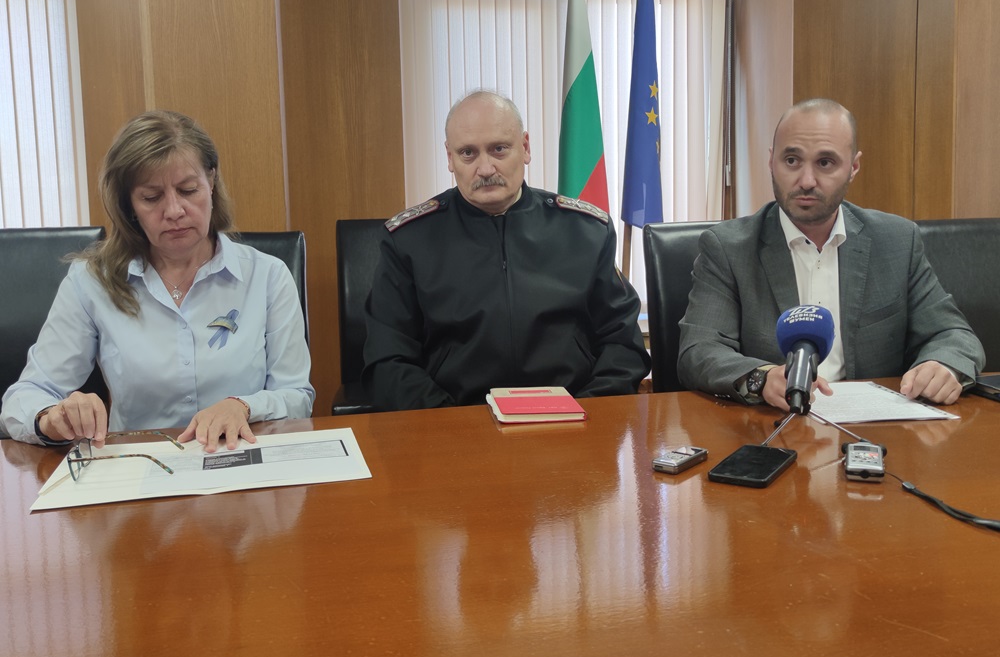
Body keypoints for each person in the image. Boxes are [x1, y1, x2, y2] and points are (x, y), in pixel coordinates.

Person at [1, 110, 314, 449]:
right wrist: (51, 417)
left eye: (188, 190)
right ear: (129, 206)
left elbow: (297, 395)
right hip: (140, 465)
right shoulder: (91, 282)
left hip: (240, 456)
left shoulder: (267, 276)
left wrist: (244, 406)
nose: (174, 211)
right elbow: (25, 397)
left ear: (211, 182)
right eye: (151, 197)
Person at [677, 98, 984, 410]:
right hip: (770, 422)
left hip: (878, 426)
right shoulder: (728, 248)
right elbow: (699, 351)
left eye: (825, 163)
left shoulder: (897, 242)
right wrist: (762, 378)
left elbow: (953, 335)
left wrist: (943, 365)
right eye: (792, 160)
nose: (806, 181)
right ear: (771, 161)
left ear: (853, 167)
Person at [363, 89, 650, 411]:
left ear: (525, 148)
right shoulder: (408, 240)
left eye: (499, 149)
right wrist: (449, 423)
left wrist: (586, 411)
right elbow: (388, 359)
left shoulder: (586, 231)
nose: (485, 168)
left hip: (573, 418)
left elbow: (622, 344)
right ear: (450, 158)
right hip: (453, 421)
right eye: (468, 153)